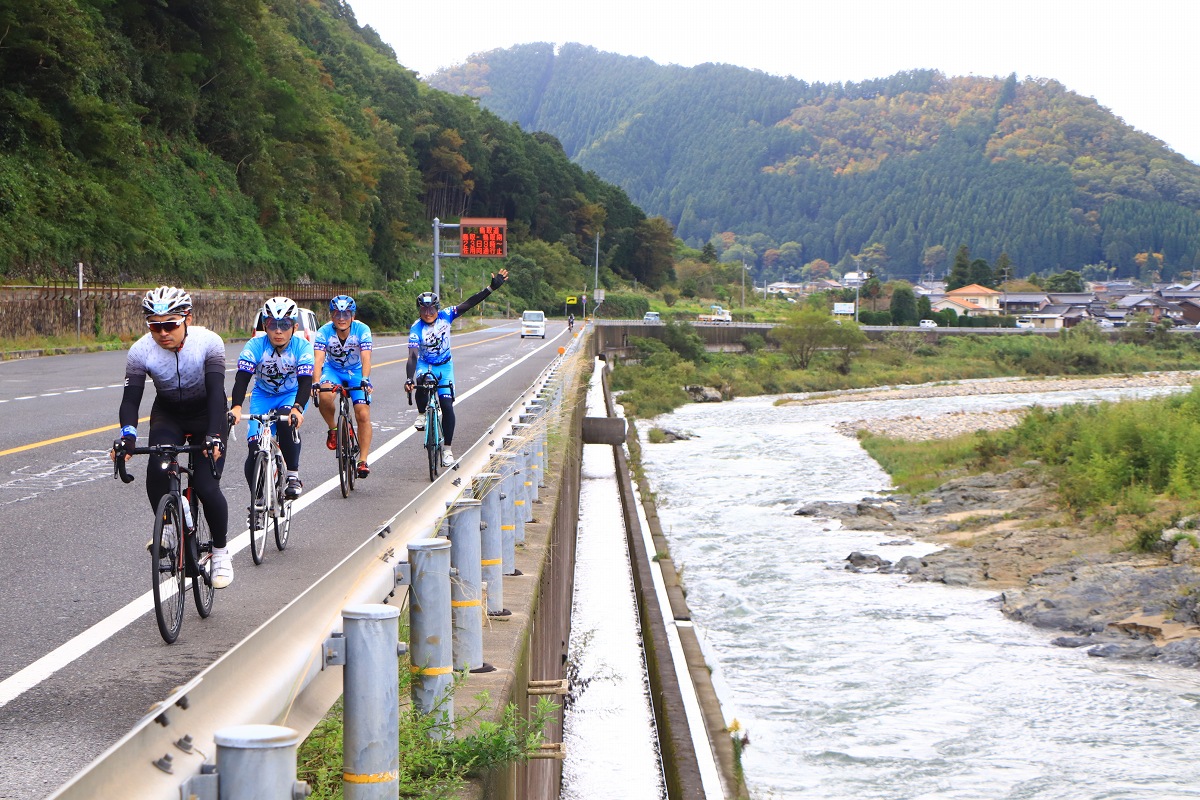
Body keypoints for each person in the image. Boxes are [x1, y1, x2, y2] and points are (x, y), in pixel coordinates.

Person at [111, 287, 234, 588]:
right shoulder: (141, 351)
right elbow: (131, 400)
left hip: (208, 413)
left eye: (170, 325)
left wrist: (215, 436)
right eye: (155, 326)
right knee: (157, 467)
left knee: (205, 486)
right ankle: (167, 525)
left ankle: (220, 552)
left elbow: (217, 393)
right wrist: (127, 436)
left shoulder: (209, 343)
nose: (163, 332)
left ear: (187, 319)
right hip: (169, 413)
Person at [406, 269, 509, 466]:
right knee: (420, 382)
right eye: (424, 310)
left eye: (431, 310)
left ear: (437, 308)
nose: (428, 314)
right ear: (419, 311)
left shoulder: (446, 316)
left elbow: (470, 302)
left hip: (444, 366)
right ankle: (421, 413)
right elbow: (412, 356)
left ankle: (447, 450)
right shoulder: (415, 328)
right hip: (425, 364)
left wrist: (490, 289)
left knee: (446, 405)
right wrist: (409, 378)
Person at [228, 297, 314, 502]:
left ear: (293, 327)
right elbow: (242, 378)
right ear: (265, 326)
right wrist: (237, 407)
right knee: (254, 448)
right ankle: (257, 501)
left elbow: (305, 382)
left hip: (291, 394)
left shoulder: (302, 347)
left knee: (286, 420)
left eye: (284, 325)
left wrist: (298, 409)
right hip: (263, 396)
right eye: (272, 324)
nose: (278, 331)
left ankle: (293, 475)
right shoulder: (256, 345)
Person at [313, 294, 374, 478]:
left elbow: (366, 357)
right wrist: (315, 382)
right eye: (337, 314)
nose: (341, 318)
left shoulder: (362, 329)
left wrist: (365, 378)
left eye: (346, 314)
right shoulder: (323, 332)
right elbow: (318, 359)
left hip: (356, 371)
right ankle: (334, 429)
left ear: (352, 316)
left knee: (362, 413)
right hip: (333, 370)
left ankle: (362, 460)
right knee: (324, 396)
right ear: (331, 315)